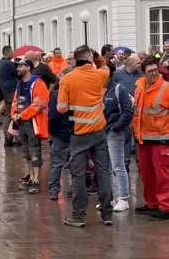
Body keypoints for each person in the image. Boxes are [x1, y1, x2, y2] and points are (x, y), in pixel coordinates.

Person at [57, 45, 113, 227]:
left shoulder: (68, 78)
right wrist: (95, 56)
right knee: (103, 171)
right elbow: (104, 66)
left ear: (76, 59)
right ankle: (106, 213)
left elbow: (61, 108)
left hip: (79, 133)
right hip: (99, 131)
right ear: (89, 58)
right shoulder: (100, 75)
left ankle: (79, 215)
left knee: (78, 174)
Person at [133, 56, 169, 220]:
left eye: (156, 69)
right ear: (144, 73)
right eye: (150, 71)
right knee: (147, 175)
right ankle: (152, 204)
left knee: (163, 176)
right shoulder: (139, 88)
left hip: (162, 139)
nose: (154, 73)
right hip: (143, 139)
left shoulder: (166, 88)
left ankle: (166, 207)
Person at [11, 60, 49, 195]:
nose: (18, 68)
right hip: (21, 122)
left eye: (20, 66)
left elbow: (39, 104)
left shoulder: (38, 83)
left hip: (33, 122)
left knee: (34, 151)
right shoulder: (20, 84)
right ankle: (31, 176)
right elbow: (15, 101)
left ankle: (36, 180)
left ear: (28, 68)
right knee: (26, 152)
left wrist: (22, 115)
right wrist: (15, 113)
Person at [103, 64, 134, 212]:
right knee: (106, 167)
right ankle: (109, 198)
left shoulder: (118, 89)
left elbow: (128, 111)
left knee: (118, 165)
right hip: (104, 132)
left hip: (115, 132)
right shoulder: (101, 90)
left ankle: (123, 198)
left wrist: (116, 127)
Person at [48, 68, 72, 200]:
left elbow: (53, 116)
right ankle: (75, 188)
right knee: (77, 164)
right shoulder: (79, 93)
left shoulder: (57, 95)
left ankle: (54, 190)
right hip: (76, 133)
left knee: (57, 163)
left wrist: (52, 132)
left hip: (61, 134)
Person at [0, 46, 18, 147]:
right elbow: (17, 74)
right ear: (9, 52)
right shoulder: (9, 63)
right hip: (10, 91)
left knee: (7, 115)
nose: (13, 53)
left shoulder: (0, 63)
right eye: (12, 52)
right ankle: (9, 138)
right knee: (10, 115)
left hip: (3, 91)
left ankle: (9, 138)